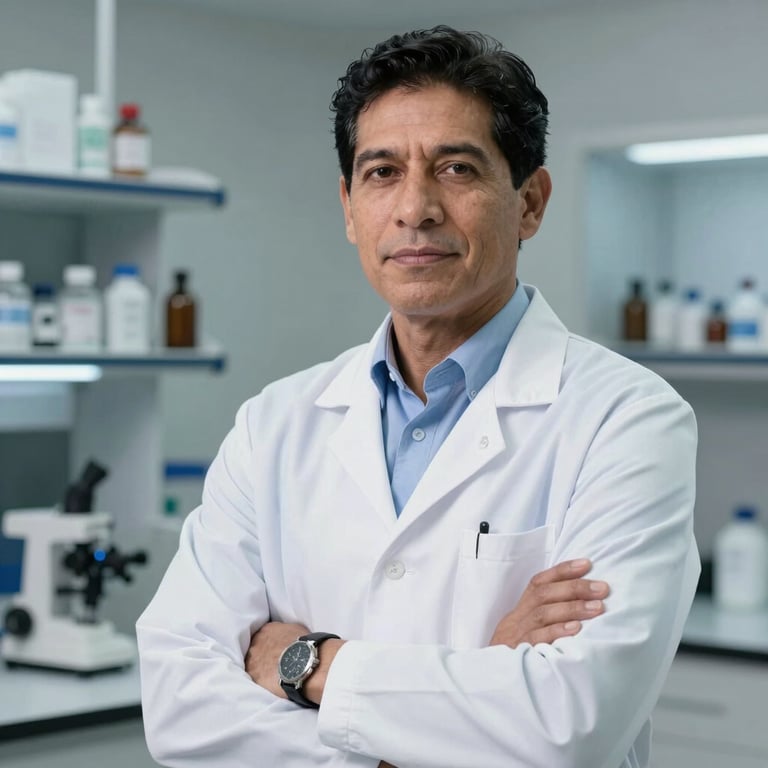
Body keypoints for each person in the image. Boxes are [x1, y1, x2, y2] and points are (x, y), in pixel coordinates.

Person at [137, 26, 699, 768]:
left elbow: (568, 723)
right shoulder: (274, 424)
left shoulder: (628, 420)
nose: (415, 208)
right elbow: (180, 705)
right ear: (348, 206)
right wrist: (461, 697)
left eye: (457, 168)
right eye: (381, 173)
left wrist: (305, 661)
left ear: (530, 202)